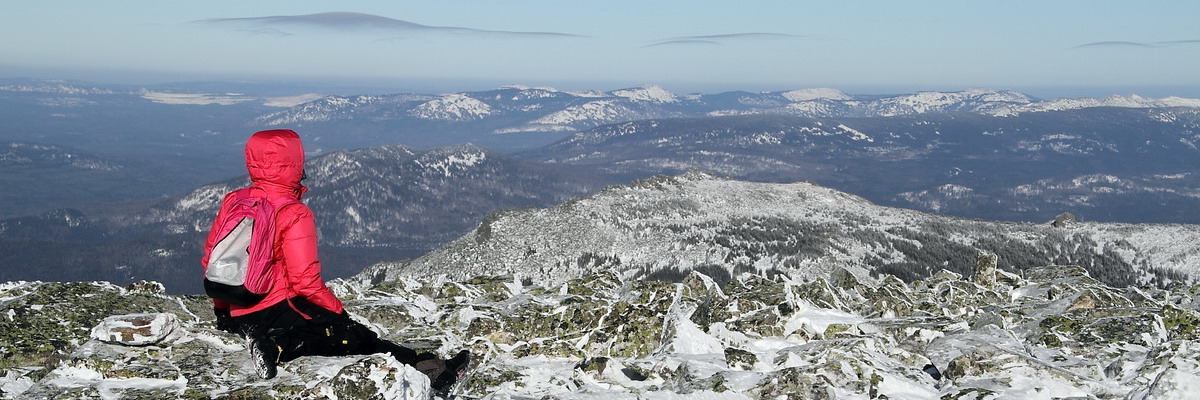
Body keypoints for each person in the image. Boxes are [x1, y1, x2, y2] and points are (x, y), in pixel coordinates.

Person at [202, 129, 469, 391]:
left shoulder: (235, 201)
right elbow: (304, 281)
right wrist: (338, 312)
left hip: (239, 309)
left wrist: (223, 310)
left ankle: (430, 364)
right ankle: (435, 374)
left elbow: (213, 260)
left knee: (344, 332)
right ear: (293, 162)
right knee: (356, 337)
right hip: (277, 311)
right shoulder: (293, 211)